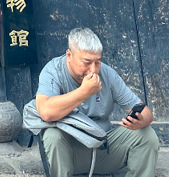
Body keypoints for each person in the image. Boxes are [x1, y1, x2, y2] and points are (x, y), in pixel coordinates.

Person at [36, 27, 159, 177]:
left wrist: (140, 121)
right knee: (52, 134)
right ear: (69, 55)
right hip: (70, 153)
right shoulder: (53, 71)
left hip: (103, 148)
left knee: (147, 134)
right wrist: (84, 92)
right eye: (87, 62)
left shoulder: (107, 74)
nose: (93, 70)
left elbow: (146, 112)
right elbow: (46, 111)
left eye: (97, 62)